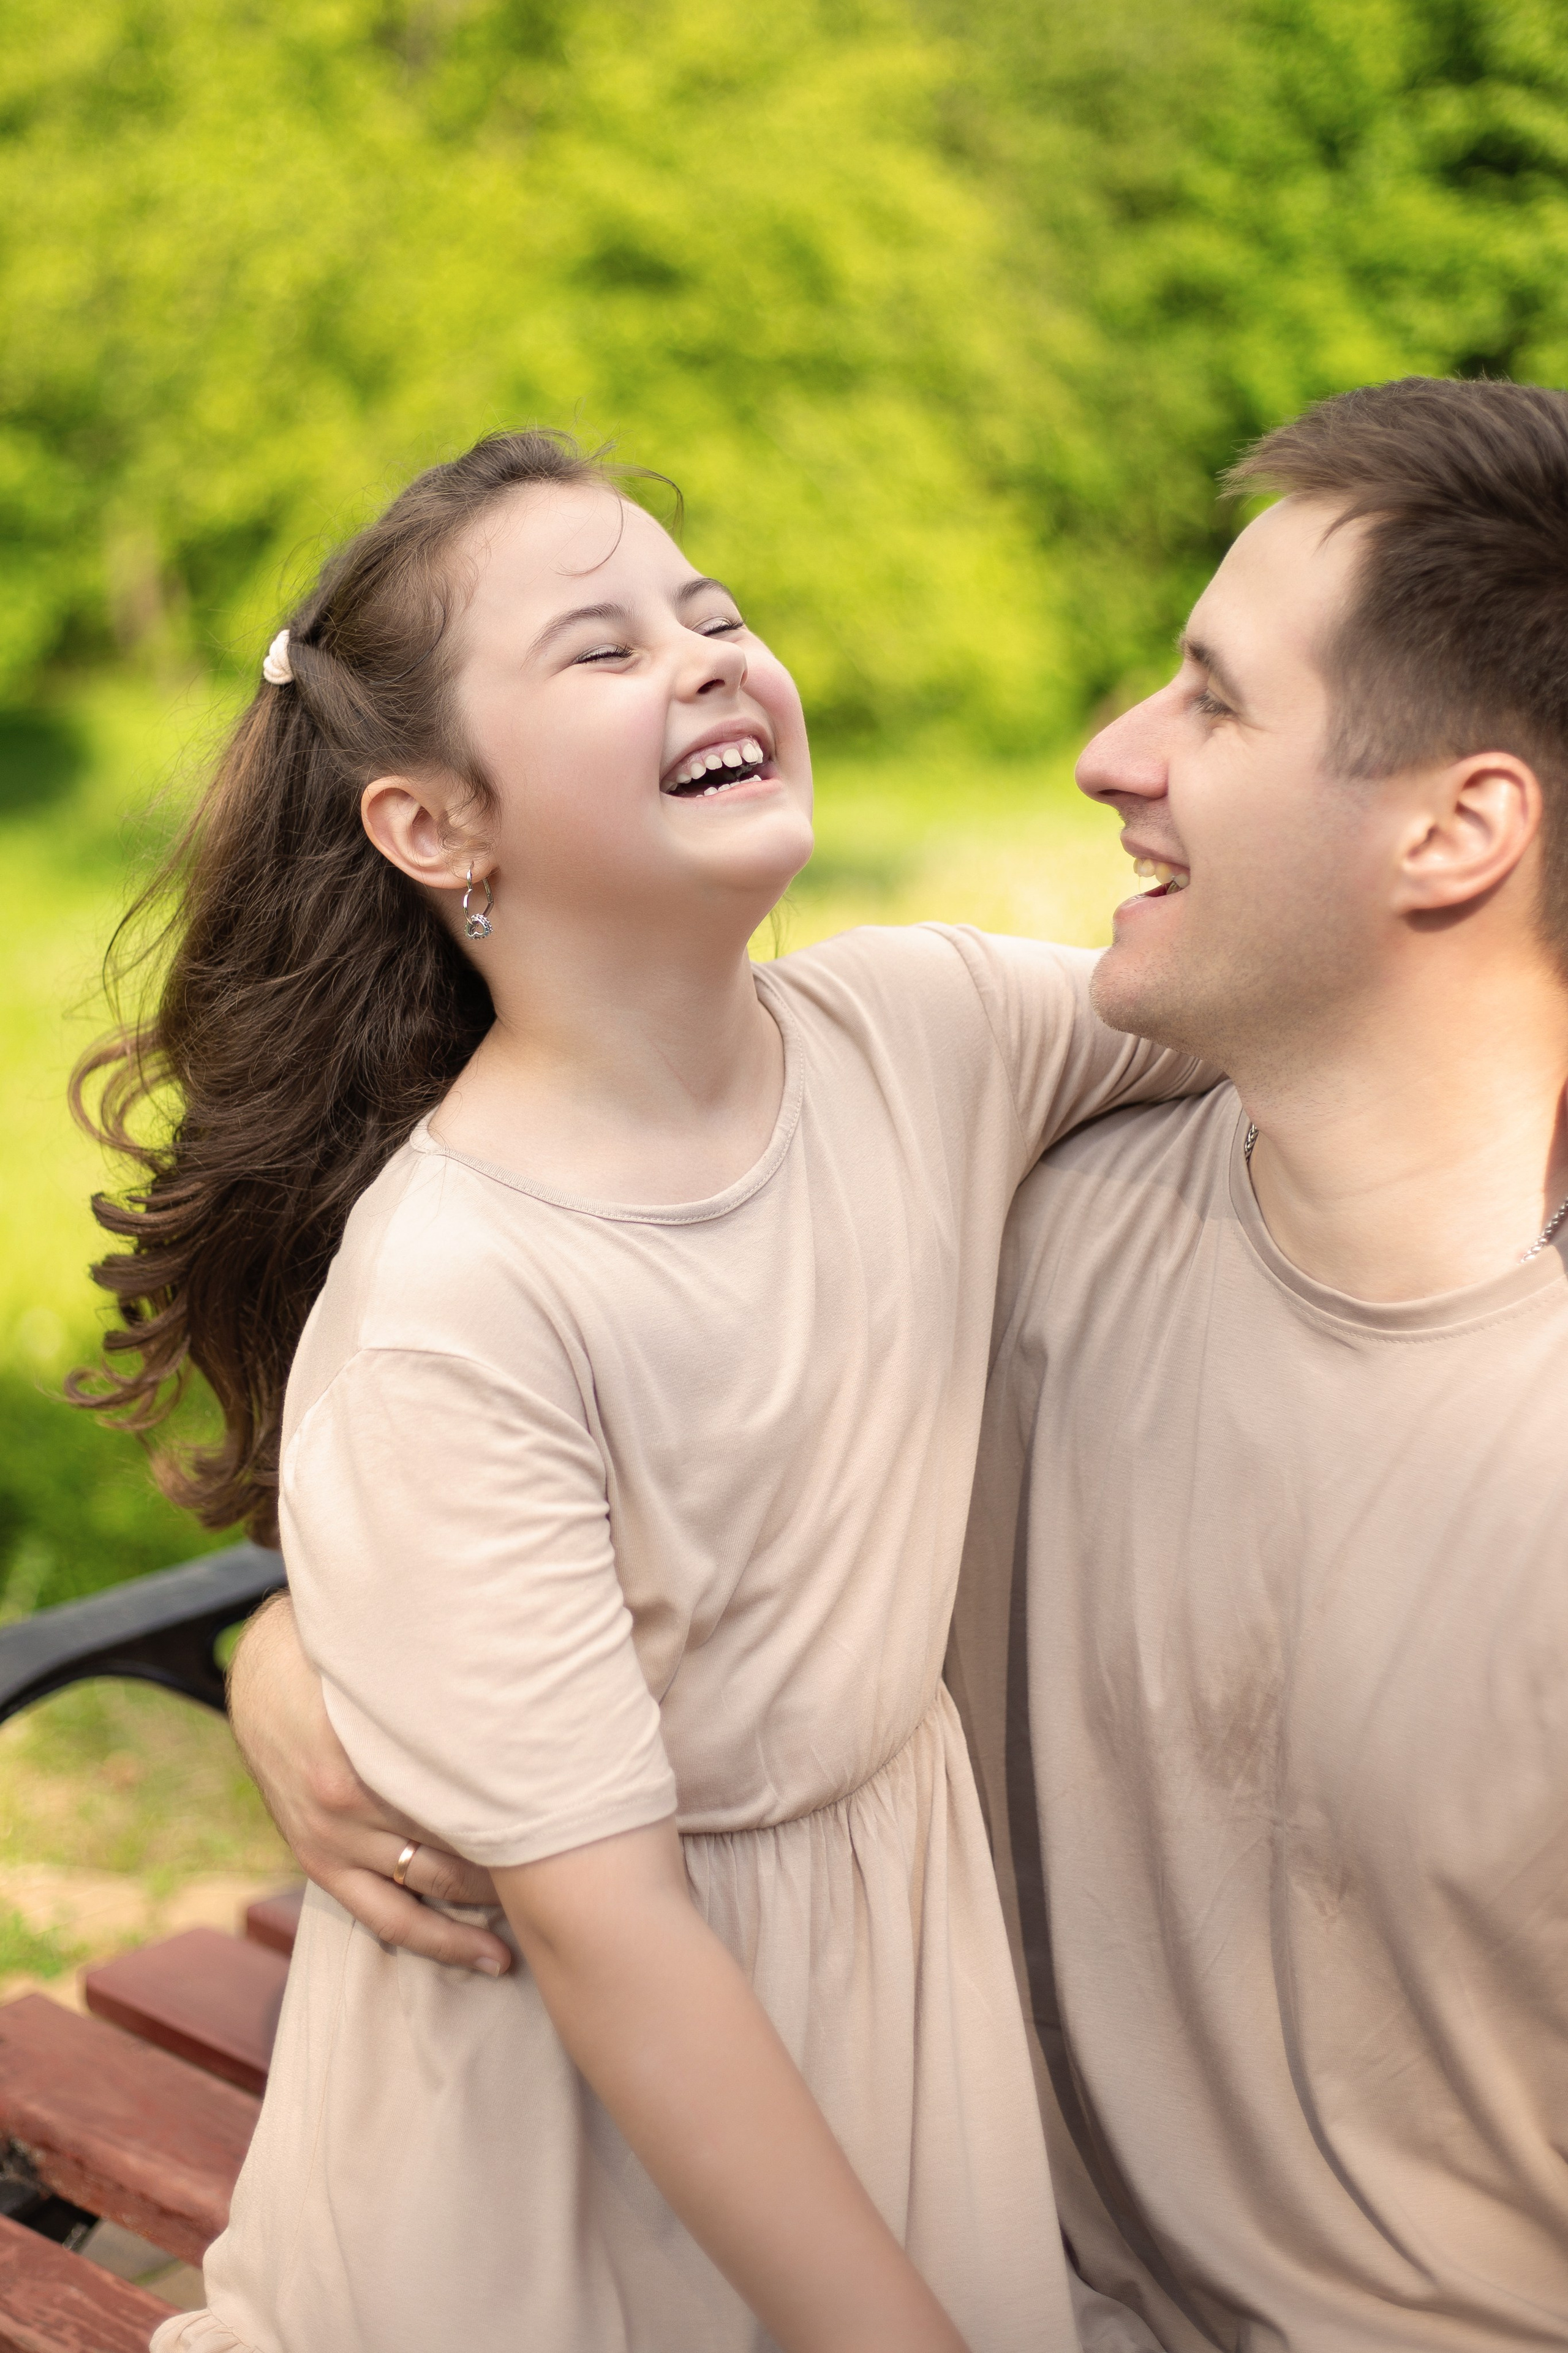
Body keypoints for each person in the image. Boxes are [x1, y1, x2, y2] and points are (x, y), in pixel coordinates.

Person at [71, 427, 1209, 2353]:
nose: (704, 660)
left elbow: (1263, 998)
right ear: (437, 826)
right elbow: (606, 1927)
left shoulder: (924, 1030)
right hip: (572, 2122)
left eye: (717, 615)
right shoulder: (461, 1295)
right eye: (602, 649)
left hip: (886, 2014)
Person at [950, 374, 1568, 2346]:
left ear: (1457, 828)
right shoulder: (1010, 1229)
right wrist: (292, 1659)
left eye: (1214, 703)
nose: (1106, 753)